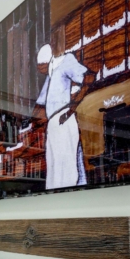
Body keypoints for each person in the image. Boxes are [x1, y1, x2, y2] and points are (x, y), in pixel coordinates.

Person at [34, 43, 95, 190]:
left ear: (47, 62)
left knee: (66, 169)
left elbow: (89, 77)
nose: (40, 70)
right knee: (54, 168)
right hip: (53, 123)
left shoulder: (65, 61)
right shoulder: (50, 75)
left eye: (41, 66)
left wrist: (71, 109)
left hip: (63, 118)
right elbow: (39, 104)